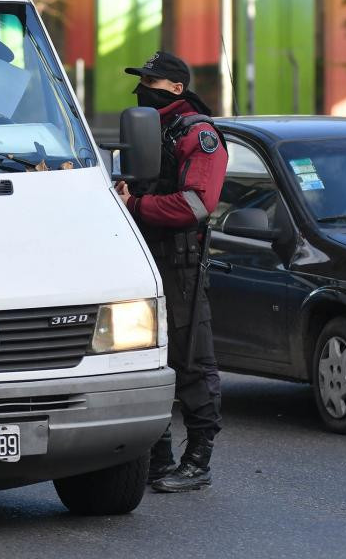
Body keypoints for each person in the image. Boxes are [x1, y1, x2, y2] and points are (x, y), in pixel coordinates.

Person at [115, 50, 227, 493]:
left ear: (177, 88)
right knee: (146, 356)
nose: (142, 88)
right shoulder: (152, 129)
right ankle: (158, 459)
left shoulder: (198, 135)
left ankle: (197, 460)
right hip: (144, 256)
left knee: (191, 358)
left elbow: (198, 204)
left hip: (179, 262)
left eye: (151, 81)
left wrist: (137, 205)